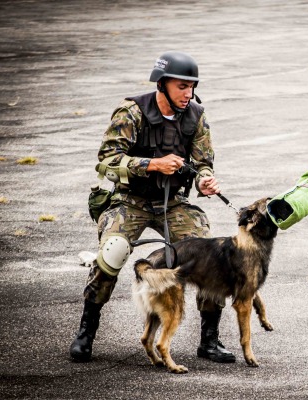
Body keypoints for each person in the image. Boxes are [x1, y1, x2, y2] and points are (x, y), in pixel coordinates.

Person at [70, 51, 236, 364]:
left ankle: (209, 340)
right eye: (181, 87)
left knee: (211, 257)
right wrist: (152, 164)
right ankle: (86, 331)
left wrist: (205, 180)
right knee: (113, 251)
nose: (188, 94)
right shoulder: (132, 111)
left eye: (192, 87)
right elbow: (106, 161)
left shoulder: (196, 115)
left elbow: (203, 163)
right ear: (161, 85)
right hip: (129, 200)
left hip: (173, 203)